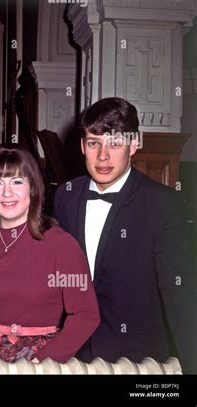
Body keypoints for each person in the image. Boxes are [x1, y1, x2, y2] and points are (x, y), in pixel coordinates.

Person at [53, 97, 197, 373]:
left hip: (137, 359)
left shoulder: (162, 204)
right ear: (83, 146)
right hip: (75, 356)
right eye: (94, 143)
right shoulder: (65, 197)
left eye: (115, 143)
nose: (103, 156)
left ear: (134, 144)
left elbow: (179, 291)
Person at [0, 145, 99, 363]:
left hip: (43, 361)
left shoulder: (61, 245)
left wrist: (43, 361)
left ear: (33, 188)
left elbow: (86, 315)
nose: (7, 193)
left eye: (17, 181)